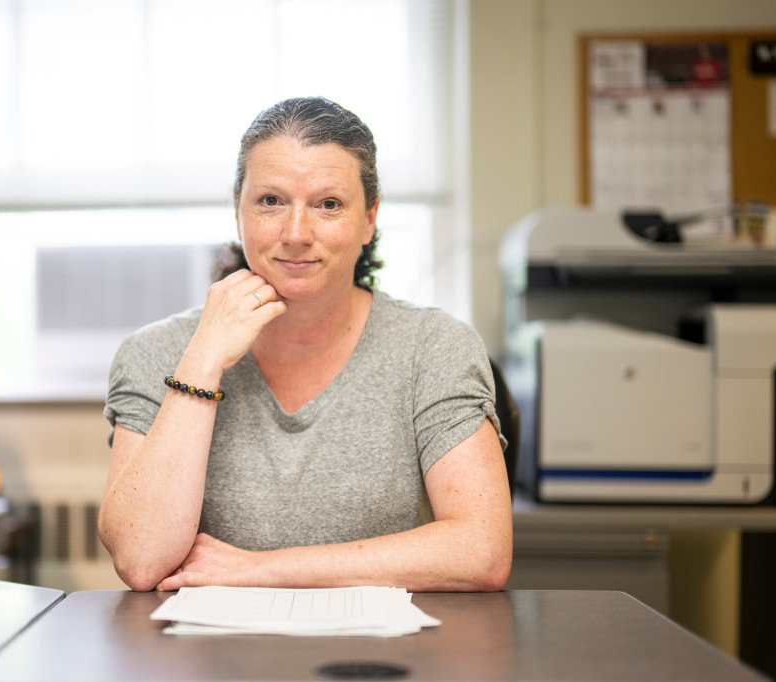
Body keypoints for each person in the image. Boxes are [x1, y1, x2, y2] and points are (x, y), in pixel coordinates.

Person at [98, 97, 512, 593]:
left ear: (368, 220)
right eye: (270, 201)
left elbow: (482, 550)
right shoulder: (157, 352)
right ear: (238, 211)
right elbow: (141, 560)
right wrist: (203, 359)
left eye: (329, 204)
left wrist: (260, 570)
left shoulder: (434, 347)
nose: (296, 233)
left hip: (379, 660)